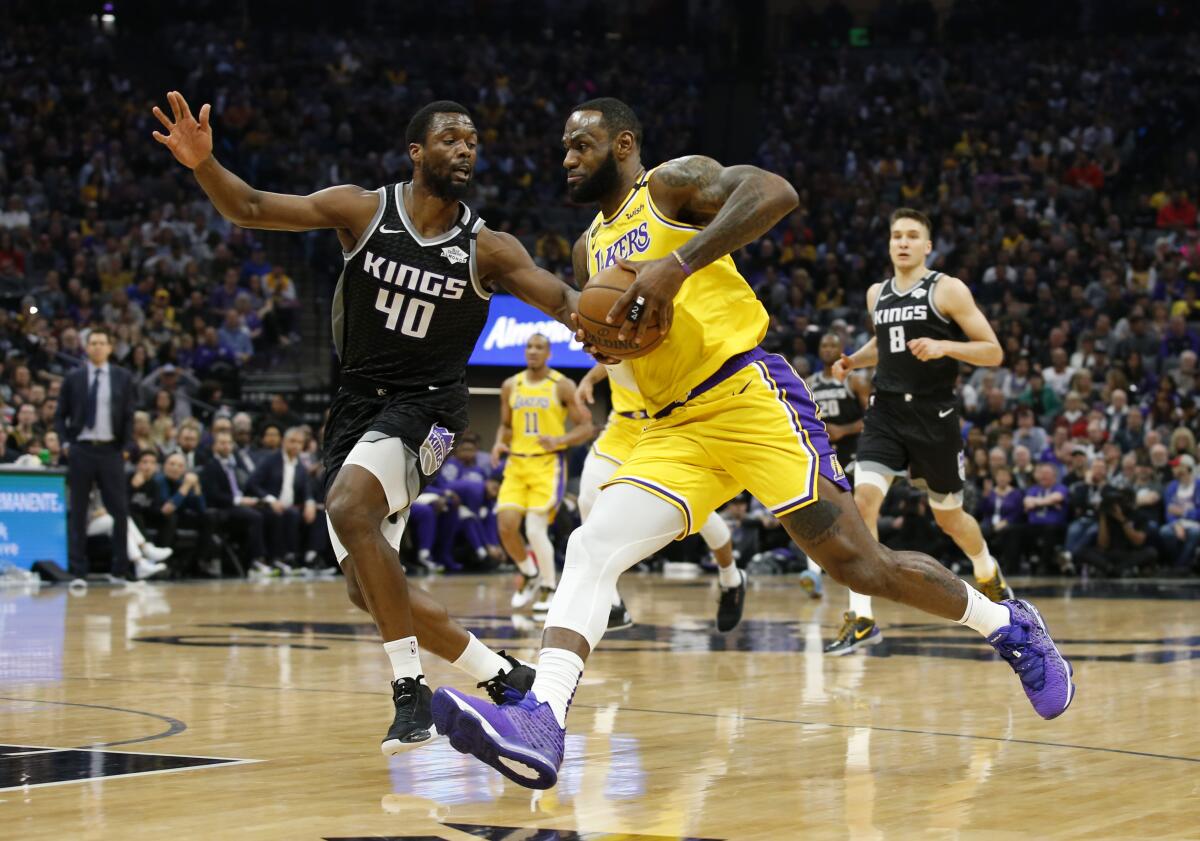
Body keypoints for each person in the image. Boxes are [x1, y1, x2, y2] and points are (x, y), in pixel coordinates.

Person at [432, 99, 1073, 790]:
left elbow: (774, 191)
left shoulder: (671, 186)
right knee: (591, 546)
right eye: (563, 148)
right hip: (672, 426)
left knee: (860, 565)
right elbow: (617, 326)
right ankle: (542, 719)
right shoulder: (591, 247)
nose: (567, 158)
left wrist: (678, 263)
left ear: (623, 144)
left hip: (748, 396)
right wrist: (599, 336)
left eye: (581, 145)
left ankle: (1008, 624)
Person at [154, 92, 585, 753]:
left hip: (432, 407)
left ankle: (409, 691)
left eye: (472, 139)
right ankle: (503, 676)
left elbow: (561, 299)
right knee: (366, 586)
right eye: (450, 138)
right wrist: (203, 163)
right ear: (417, 152)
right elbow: (249, 207)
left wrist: (617, 316)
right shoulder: (363, 209)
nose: (465, 147)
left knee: (351, 506)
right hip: (356, 403)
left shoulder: (489, 248)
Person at [822, 208, 1013, 656]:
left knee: (949, 519)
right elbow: (883, 344)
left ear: (928, 246)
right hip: (885, 413)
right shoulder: (877, 294)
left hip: (933, 418)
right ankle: (862, 616)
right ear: (889, 244)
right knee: (862, 503)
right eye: (896, 236)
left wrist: (945, 345)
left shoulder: (947, 289)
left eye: (912, 236)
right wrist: (853, 361)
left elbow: (994, 351)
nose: (903, 242)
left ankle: (986, 568)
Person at [574, 360, 747, 631]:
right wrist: (589, 378)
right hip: (622, 427)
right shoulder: (616, 324)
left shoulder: (672, 326)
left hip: (668, 425)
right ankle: (613, 603)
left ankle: (731, 578)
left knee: (695, 512)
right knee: (587, 497)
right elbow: (611, 353)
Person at [492, 334, 593, 612]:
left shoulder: (562, 385)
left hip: (548, 464)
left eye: (539, 347)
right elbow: (506, 426)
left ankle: (549, 587)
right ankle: (530, 573)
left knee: (535, 530)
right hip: (516, 464)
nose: (533, 351)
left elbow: (586, 427)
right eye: (529, 347)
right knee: (506, 526)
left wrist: (559, 441)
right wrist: (500, 442)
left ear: (548, 353)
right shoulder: (510, 385)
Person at [55, 327, 139, 582]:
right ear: (86, 347)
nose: (98, 347)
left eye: (102, 343)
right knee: (78, 510)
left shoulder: (123, 377)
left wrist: (125, 448)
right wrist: (65, 443)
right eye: (93, 343)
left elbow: (129, 415)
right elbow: (60, 414)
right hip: (81, 448)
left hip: (111, 449)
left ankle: (120, 569)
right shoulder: (74, 377)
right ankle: (78, 569)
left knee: (119, 510)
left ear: (110, 348)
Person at [247, 426, 323, 571]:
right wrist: (270, 499)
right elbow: (253, 484)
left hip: (291, 507)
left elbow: (306, 489)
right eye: (292, 441)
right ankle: (287, 557)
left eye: (299, 442)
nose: (296, 445)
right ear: (284, 442)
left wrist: (309, 502)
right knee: (290, 514)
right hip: (269, 506)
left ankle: (311, 557)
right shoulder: (270, 460)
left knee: (319, 513)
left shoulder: (300, 465)